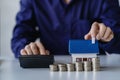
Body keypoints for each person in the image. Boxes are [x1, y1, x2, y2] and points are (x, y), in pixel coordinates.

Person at [11, 0, 120, 58]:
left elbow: (118, 38)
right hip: (47, 70)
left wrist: (108, 37)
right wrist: (26, 48)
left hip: (93, 71)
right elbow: (20, 35)